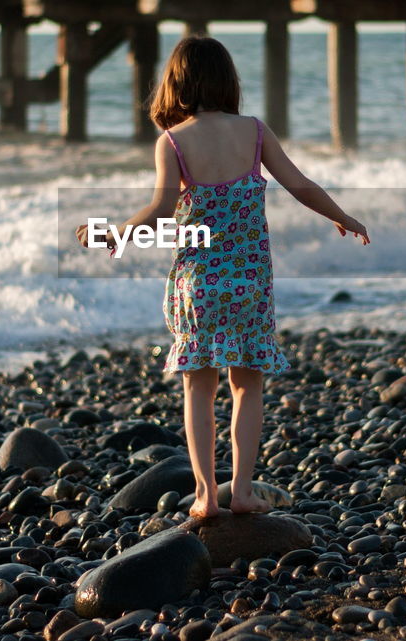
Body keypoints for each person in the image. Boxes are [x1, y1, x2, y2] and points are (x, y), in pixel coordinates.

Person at [76, 37, 369, 518]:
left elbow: (160, 211)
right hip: (249, 282)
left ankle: (206, 496)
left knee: (198, 388)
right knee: (246, 386)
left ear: (176, 84)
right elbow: (300, 184)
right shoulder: (254, 132)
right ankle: (245, 491)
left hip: (197, 282)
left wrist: (113, 234)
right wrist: (341, 216)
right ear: (227, 80)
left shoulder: (172, 142)